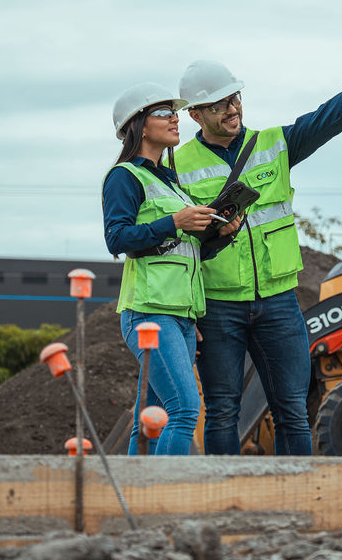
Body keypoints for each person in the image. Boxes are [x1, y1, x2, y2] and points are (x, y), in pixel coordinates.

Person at [174, 48, 342, 455]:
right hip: (218, 305)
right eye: (219, 104)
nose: (232, 109)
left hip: (278, 301)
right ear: (195, 114)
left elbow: (324, 122)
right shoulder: (177, 165)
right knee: (222, 411)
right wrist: (186, 312)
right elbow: (175, 249)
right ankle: (225, 492)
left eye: (234, 98)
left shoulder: (273, 144)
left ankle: (296, 488)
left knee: (291, 409)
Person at [102, 82, 240, 455]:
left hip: (180, 316)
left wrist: (220, 235)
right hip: (149, 313)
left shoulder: (169, 183)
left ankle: (135, 487)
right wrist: (175, 221)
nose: (175, 119)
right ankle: (166, 489)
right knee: (184, 410)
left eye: (175, 112)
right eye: (164, 113)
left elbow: (182, 250)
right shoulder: (125, 176)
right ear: (139, 125)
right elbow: (117, 239)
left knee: (152, 419)